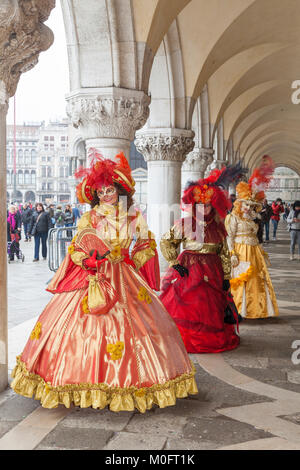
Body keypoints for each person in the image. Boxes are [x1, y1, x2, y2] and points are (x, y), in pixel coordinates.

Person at [11, 150, 197, 413]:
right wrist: (86, 260)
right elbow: (77, 247)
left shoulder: (133, 216)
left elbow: (145, 244)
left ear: (120, 190)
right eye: (100, 191)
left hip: (124, 276)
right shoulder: (90, 218)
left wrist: (135, 260)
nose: (106, 195)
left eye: (110, 190)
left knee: (137, 325)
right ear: (95, 195)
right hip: (94, 277)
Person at [159, 164, 244, 353]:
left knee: (210, 305)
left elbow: (223, 253)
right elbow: (166, 242)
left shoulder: (218, 227)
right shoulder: (185, 224)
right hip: (188, 269)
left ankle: (208, 338)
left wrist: (226, 277)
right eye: (200, 205)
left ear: (213, 205)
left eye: (207, 205)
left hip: (213, 270)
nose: (204, 209)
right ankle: (185, 338)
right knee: (188, 304)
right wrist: (174, 263)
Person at [225, 156, 279, 319]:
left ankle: (256, 309)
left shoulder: (252, 218)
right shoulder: (232, 218)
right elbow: (229, 237)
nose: (248, 207)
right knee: (241, 280)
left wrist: (256, 216)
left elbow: (257, 229)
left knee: (256, 280)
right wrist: (232, 254)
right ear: (239, 204)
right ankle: (239, 309)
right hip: (240, 252)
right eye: (245, 204)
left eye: (250, 205)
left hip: (254, 251)